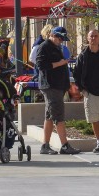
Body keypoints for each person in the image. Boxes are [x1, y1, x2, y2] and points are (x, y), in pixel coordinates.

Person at [36, 26, 80, 155]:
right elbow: (40, 65)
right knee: (58, 116)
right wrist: (59, 64)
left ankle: (45, 145)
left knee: (49, 116)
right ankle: (64, 145)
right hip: (51, 86)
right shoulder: (44, 47)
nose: (61, 41)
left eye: (62, 39)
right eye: (59, 38)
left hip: (57, 86)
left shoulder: (56, 47)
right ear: (53, 35)